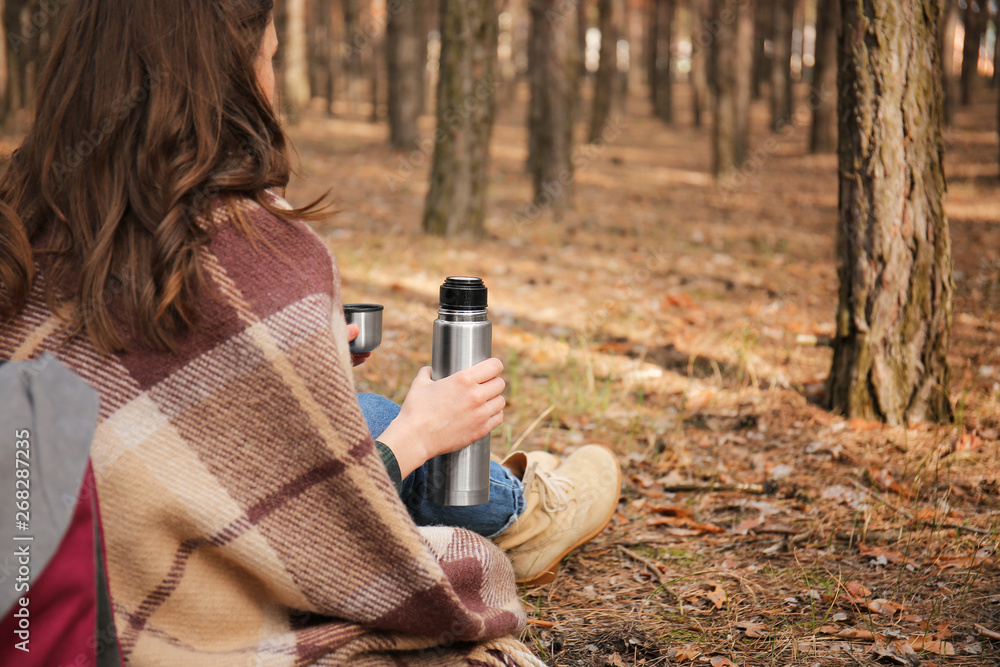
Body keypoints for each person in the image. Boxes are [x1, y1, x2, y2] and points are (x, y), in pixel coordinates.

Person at [0, 0, 618, 664]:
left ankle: (517, 503)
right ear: (231, 75)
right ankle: (520, 512)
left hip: (37, 604)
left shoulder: (19, 223)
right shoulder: (261, 252)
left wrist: (292, 366)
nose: (273, 83)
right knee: (388, 431)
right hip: (167, 630)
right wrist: (419, 435)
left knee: (357, 409)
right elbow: (334, 534)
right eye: (269, 56)